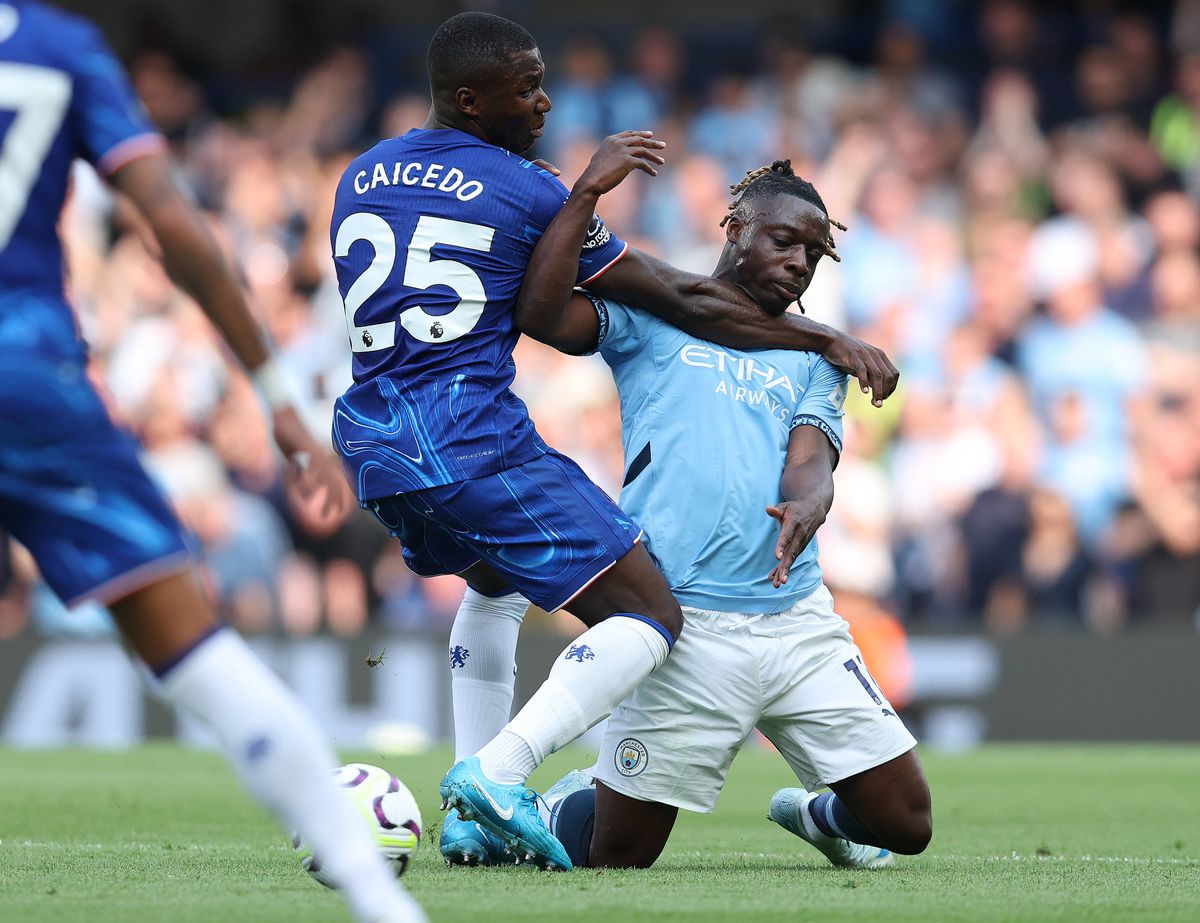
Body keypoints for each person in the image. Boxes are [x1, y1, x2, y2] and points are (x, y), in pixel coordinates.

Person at [328, 11, 898, 871]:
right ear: (472, 99)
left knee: (492, 582)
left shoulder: (362, 175)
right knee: (647, 611)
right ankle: (498, 773)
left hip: (372, 437)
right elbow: (676, 302)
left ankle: (473, 803)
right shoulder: (527, 189)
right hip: (469, 433)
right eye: (527, 88)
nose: (545, 102)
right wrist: (823, 336)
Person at [0, 4, 424, 920]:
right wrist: (276, 394)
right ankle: (381, 906)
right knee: (190, 641)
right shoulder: (56, 46)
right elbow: (174, 225)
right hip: (27, 371)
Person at [517, 157, 933, 870]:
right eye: (783, 241)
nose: (799, 262)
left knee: (906, 824)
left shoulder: (815, 356)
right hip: (683, 624)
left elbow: (811, 459)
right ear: (735, 228)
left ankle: (819, 814)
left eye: (813, 251)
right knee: (617, 858)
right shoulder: (653, 319)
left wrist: (809, 501)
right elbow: (545, 315)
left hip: (794, 619)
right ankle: (556, 803)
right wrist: (584, 194)